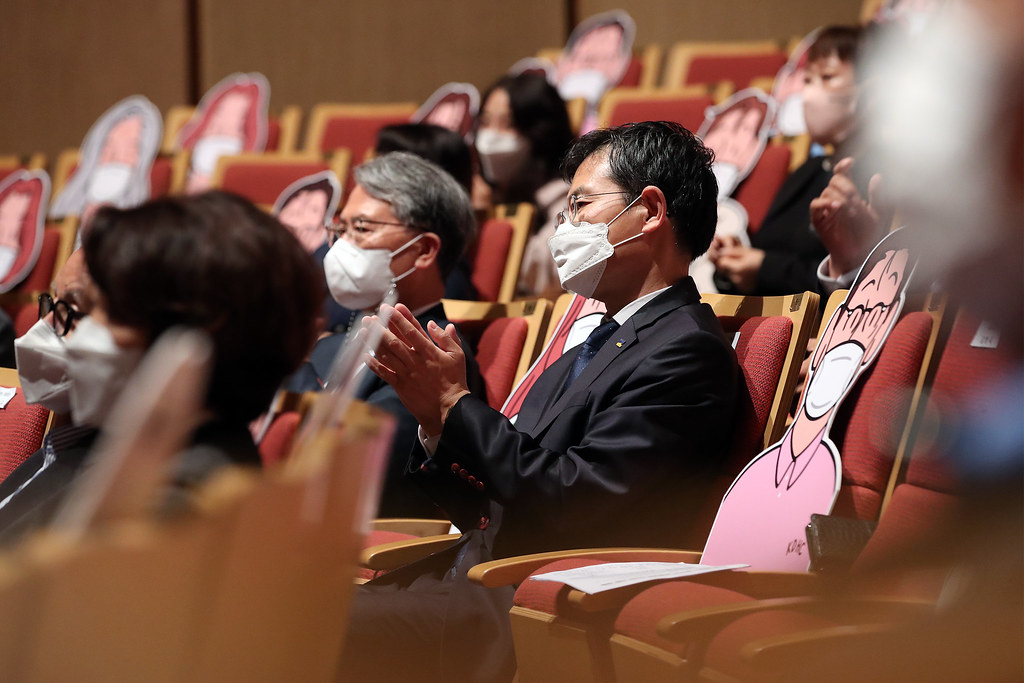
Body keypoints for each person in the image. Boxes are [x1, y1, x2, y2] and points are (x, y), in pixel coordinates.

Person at [341, 121, 740, 682]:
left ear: (650, 212)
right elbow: (488, 502)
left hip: (519, 598)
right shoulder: (599, 337)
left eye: (580, 204)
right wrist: (434, 422)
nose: (564, 227)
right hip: (471, 574)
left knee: (288, 625)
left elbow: (570, 499)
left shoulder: (685, 353)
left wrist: (457, 403)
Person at [2, 191, 322, 542]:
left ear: (191, 334)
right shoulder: (130, 450)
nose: (68, 334)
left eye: (102, 311)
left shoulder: (165, 505)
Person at [287, 152, 483, 518]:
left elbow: (352, 473)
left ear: (423, 250)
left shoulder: (431, 360)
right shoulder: (331, 344)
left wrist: (283, 346)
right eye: (340, 230)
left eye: (360, 229)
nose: (341, 246)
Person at [710, 26, 867, 296]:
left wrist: (765, 268)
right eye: (807, 81)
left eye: (827, 77)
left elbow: (867, 280)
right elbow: (769, 254)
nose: (808, 95)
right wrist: (737, 260)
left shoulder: (883, 177)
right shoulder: (809, 170)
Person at [472, 72, 575, 298]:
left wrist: (491, 224)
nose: (491, 138)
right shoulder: (484, 189)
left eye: (507, 124)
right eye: (486, 122)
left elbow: (546, 276)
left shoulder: (566, 196)